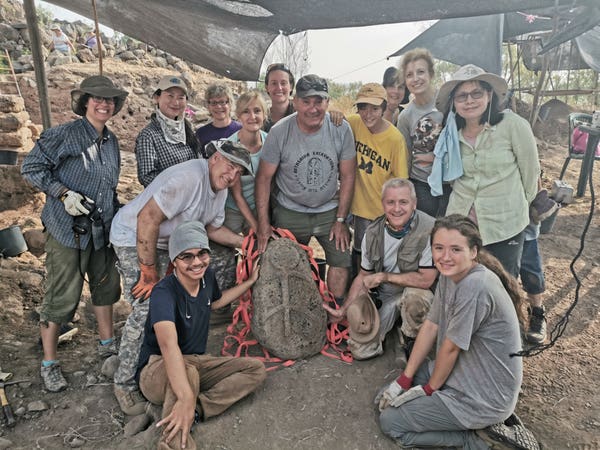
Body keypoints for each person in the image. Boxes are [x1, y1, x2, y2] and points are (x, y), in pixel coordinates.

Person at [109, 140, 253, 416]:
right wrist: (148, 270)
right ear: (214, 158)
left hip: (168, 242)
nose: (232, 175)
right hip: (133, 236)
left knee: (206, 272)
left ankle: (160, 358)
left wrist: (244, 243)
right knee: (146, 307)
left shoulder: (219, 189)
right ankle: (124, 382)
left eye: (238, 172)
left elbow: (211, 229)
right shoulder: (188, 179)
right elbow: (147, 218)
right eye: (230, 166)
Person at [378, 214, 524, 449]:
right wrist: (404, 379)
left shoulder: (474, 286)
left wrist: (428, 390)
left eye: (455, 249)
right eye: (439, 248)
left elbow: (451, 348)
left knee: (390, 422)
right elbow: (431, 325)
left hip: (481, 397)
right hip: (464, 372)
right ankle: (458, 421)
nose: (445, 257)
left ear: (473, 251)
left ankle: (475, 441)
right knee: (385, 396)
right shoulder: (450, 274)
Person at [21, 75, 129, 392]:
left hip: (101, 229)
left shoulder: (111, 142)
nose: (103, 104)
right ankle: (49, 363)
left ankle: (107, 345)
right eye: (97, 98)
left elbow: (109, 187)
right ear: (84, 102)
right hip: (67, 231)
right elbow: (31, 168)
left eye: (109, 99)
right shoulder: (64, 135)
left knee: (105, 286)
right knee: (62, 295)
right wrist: (63, 193)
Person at [137, 221, 266, 450]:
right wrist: (186, 396)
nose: (196, 262)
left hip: (195, 362)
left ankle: (194, 411)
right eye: (186, 256)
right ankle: (172, 443)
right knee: (188, 373)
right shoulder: (163, 293)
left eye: (202, 254)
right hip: (156, 369)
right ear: (174, 260)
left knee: (254, 369)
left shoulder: (207, 278)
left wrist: (250, 282)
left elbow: (216, 302)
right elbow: (168, 347)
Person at [255, 74, 356, 303]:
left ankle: (334, 309)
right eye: (306, 101)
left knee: (341, 258)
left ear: (327, 102)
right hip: (291, 209)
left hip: (329, 208)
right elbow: (263, 178)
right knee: (285, 264)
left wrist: (341, 219)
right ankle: (295, 310)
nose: (313, 108)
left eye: (319, 101)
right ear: (296, 102)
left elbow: (348, 175)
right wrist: (263, 224)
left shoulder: (341, 129)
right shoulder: (280, 132)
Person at [437, 64, 540, 277]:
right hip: (462, 224)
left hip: (505, 223)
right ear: (454, 102)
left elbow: (530, 173)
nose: (469, 101)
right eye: (462, 96)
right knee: (463, 278)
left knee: (503, 281)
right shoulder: (451, 133)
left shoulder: (513, 125)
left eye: (476, 93)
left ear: (489, 95)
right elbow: (451, 176)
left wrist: (520, 205)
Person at [324, 179, 437, 360]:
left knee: (415, 299)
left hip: (418, 292)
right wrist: (343, 310)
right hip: (387, 296)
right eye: (390, 202)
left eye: (403, 202)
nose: (397, 208)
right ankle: (394, 331)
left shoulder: (430, 229)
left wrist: (384, 276)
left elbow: (426, 279)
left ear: (414, 203)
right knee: (361, 352)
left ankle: (412, 340)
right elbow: (363, 275)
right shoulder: (372, 232)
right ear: (383, 204)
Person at [346, 83, 409, 274]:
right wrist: (334, 115)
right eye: (363, 107)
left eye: (374, 108)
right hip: (359, 208)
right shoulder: (354, 123)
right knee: (359, 252)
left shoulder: (394, 138)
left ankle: (373, 289)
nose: (368, 114)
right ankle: (357, 287)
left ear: (383, 108)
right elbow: (333, 120)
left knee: (379, 258)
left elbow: (401, 182)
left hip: (381, 210)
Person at [396, 48, 449, 217]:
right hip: (422, 184)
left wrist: (437, 157)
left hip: (450, 182)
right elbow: (405, 156)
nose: (415, 79)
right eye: (409, 75)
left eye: (420, 72)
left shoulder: (448, 102)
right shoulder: (405, 117)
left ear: (431, 74)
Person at [135, 75, 200, 187]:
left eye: (181, 98)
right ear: (157, 97)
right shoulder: (148, 135)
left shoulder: (187, 129)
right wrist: (180, 185)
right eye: (170, 96)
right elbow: (147, 177)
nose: (176, 102)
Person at [195, 83, 241, 153]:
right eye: (214, 103)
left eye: (222, 102)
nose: (218, 106)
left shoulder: (241, 130)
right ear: (208, 106)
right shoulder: (201, 133)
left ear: (230, 103)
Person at [263, 63, 295, 132]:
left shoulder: (300, 117)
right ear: (266, 87)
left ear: (291, 87)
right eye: (274, 83)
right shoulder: (261, 119)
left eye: (283, 83)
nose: (279, 88)